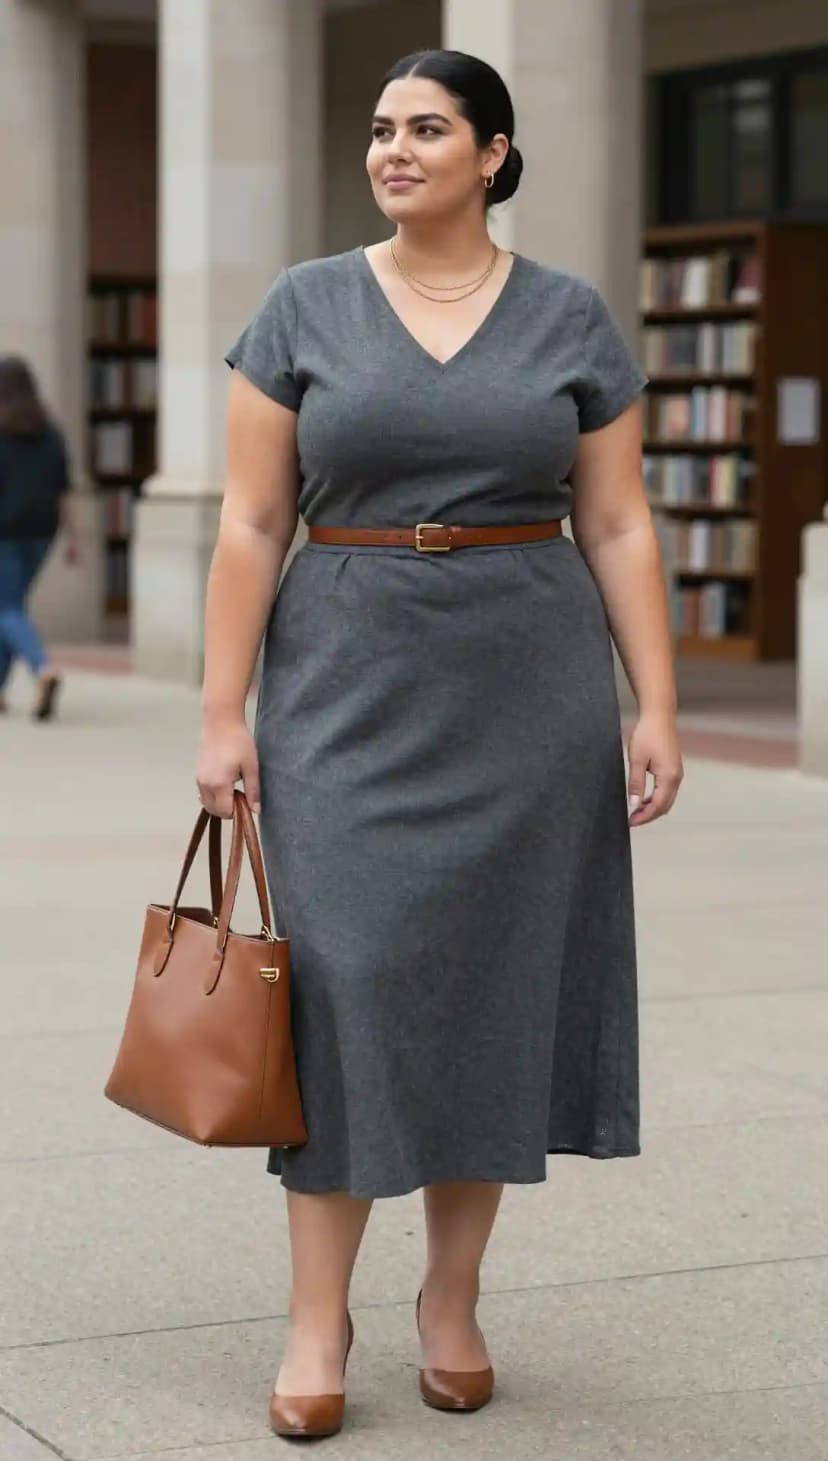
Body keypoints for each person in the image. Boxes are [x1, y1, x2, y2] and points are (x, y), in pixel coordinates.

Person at [197, 48, 683, 1442]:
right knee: (340, 994)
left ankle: (451, 1301)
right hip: (344, 680)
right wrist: (223, 713)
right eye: (379, 129)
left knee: (495, 990)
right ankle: (315, 1318)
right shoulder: (303, 305)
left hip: (527, 685)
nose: (393, 149)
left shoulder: (571, 318)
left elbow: (619, 523)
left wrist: (652, 701)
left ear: (496, 152)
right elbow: (247, 521)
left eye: (426, 128)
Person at [0, 355, 78, 719]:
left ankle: (42, 669)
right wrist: (74, 536)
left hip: (5, 532)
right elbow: (64, 487)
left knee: (6, 608)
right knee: (11, 608)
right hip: (43, 532)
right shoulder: (49, 431)